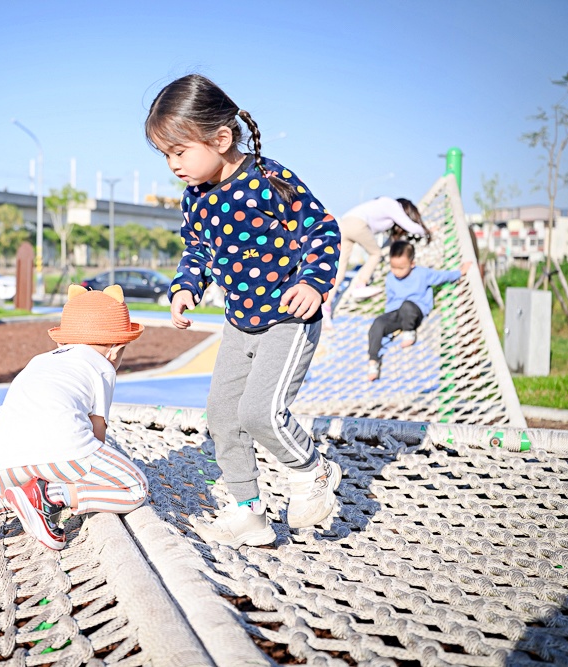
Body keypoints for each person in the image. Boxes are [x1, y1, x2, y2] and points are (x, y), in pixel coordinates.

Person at [146, 73, 342, 548]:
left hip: (289, 317)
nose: (173, 164)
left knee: (259, 412)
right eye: (165, 155)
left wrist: (313, 283)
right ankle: (248, 511)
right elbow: (198, 250)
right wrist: (186, 287)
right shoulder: (195, 198)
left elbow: (322, 229)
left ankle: (311, 470)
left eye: (180, 151)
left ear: (220, 138)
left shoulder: (268, 180)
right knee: (221, 414)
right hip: (240, 321)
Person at [0, 284, 148, 575]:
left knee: (3, 492)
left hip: (2, 455)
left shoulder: (39, 361)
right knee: (136, 488)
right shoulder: (102, 366)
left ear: (62, 340)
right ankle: (51, 495)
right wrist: (93, 478)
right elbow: (98, 430)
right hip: (65, 448)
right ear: (116, 349)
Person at [367, 240, 472, 381]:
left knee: (407, 306)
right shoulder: (390, 278)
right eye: (393, 267)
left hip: (415, 311)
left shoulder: (422, 274)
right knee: (378, 323)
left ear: (412, 264)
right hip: (396, 313)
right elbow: (390, 300)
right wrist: (387, 320)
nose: (397, 272)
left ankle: (409, 332)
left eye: (401, 268)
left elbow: (442, 276)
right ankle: (373, 361)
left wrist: (459, 272)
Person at [326, 196, 431, 313]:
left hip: (343, 224)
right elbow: (410, 226)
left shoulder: (381, 205)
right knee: (375, 253)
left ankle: (326, 306)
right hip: (356, 223)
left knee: (340, 269)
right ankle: (360, 285)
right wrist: (427, 231)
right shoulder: (394, 206)